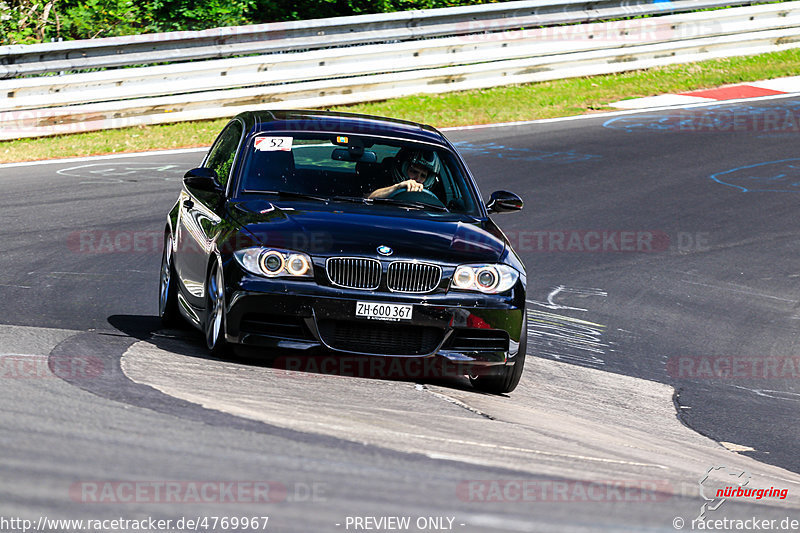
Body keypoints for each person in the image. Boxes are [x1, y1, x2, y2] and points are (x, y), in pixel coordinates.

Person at [368, 149, 443, 200]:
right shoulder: (384, 180)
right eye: (414, 172)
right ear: (402, 169)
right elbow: (369, 198)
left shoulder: (432, 196)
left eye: (423, 176)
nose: (417, 179)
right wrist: (396, 187)